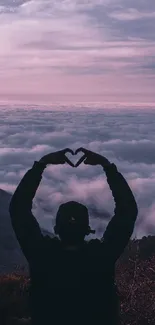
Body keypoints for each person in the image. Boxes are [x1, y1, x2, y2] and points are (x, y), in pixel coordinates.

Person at [9, 147, 138, 325]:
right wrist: (107, 166)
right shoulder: (101, 256)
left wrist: (41, 165)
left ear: (56, 228)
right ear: (87, 229)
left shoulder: (41, 254)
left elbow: (18, 209)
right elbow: (127, 211)